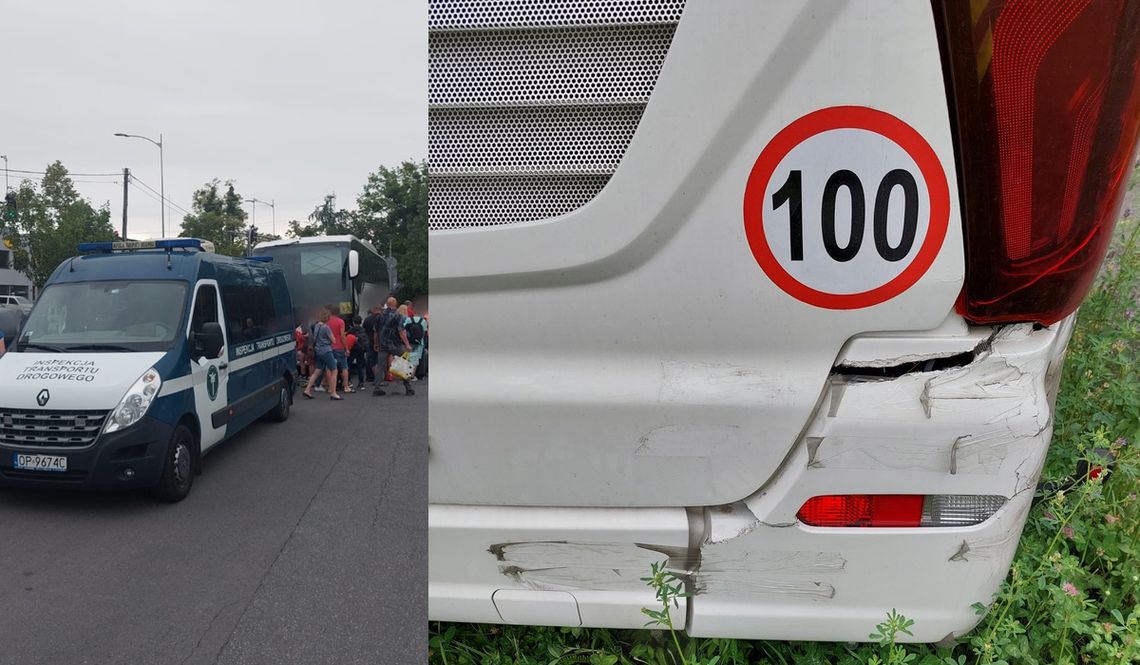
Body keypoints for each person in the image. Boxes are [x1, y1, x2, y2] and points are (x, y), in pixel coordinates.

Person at [373, 296, 413, 396]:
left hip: (383, 345)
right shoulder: (398, 316)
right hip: (395, 344)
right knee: (404, 362)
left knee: (380, 366)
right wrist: (407, 344)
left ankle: (377, 388)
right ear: (396, 304)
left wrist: (376, 343)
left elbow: (376, 331)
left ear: (387, 304)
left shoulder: (380, 316)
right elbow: (401, 331)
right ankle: (408, 387)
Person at [302, 309, 342, 401]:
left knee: (317, 371)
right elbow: (333, 340)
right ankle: (333, 393)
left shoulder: (316, 326)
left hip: (318, 351)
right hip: (326, 351)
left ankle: (307, 390)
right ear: (327, 317)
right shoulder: (326, 328)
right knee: (334, 370)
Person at [326, 305, 352, 394]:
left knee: (329, 368)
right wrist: (346, 348)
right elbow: (342, 336)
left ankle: (330, 387)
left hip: (329, 346)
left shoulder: (326, 321)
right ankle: (346, 386)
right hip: (339, 346)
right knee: (344, 367)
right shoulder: (340, 321)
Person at [347, 315, 367, 391]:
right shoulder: (363, 330)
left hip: (353, 349)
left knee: (348, 365)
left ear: (353, 322)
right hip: (361, 350)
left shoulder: (351, 330)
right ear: (361, 322)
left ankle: (349, 381)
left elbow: (347, 338)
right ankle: (361, 383)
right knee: (360, 366)